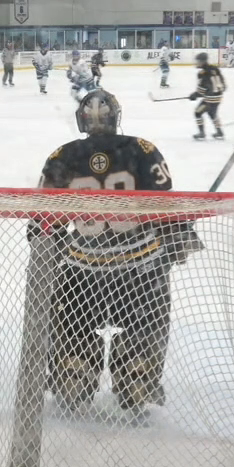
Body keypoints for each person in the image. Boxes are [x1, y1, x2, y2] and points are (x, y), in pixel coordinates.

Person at [32, 88, 199, 412]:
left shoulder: (62, 156)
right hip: (140, 271)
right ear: (116, 118)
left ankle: (73, 373)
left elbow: (44, 221)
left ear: (82, 120)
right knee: (145, 329)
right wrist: (179, 235)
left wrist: (46, 251)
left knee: (70, 328)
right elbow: (165, 209)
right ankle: (136, 376)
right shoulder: (141, 149)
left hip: (82, 273)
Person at [189, 52, 226, 140]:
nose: (197, 63)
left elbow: (201, 90)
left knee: (197, 113)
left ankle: (202, 133)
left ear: (202, 61)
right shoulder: (215, 68)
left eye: (198, 61)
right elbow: (223, 83)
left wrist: (194, 95)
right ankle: (219, 132)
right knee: (212, 113)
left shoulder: (202, 73)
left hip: (210, 99)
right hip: (219, 96)